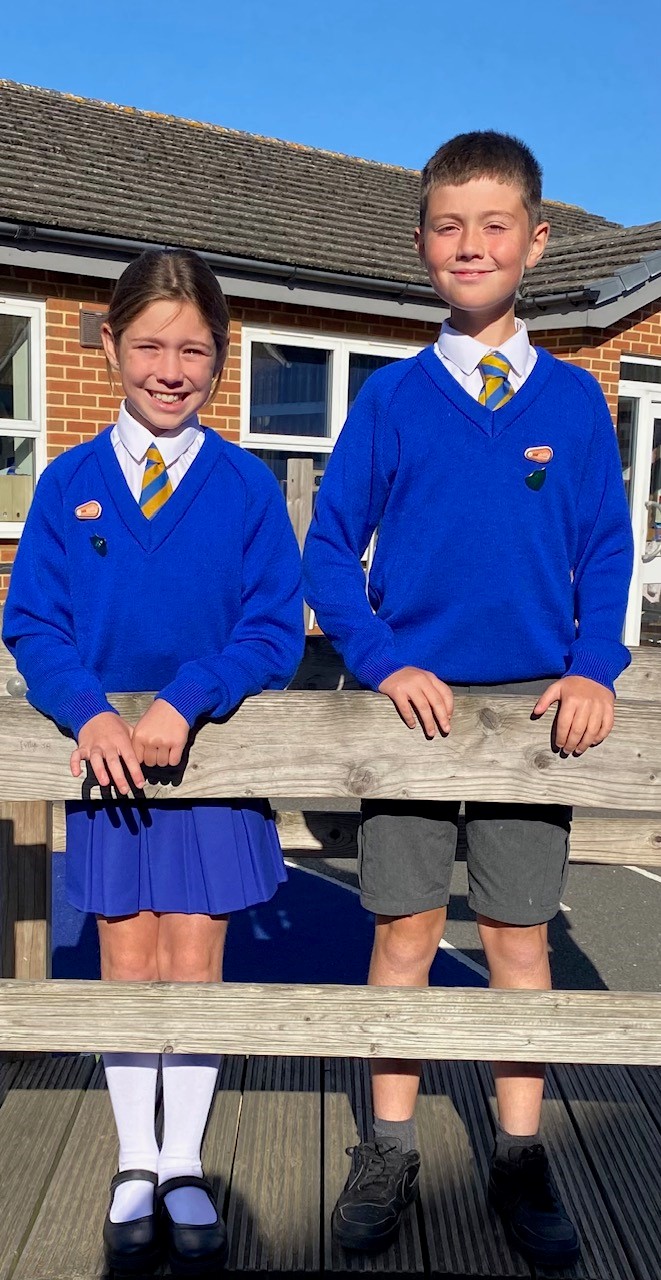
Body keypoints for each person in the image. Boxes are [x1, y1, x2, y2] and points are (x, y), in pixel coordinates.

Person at [302, 131, 633, 1268]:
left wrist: (592, 667)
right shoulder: (391, 400)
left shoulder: (576, 402)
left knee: (516, 937)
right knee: (402, 929)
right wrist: (381, 656)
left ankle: (518, 1152)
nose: (471, 244)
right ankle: (388, 1145)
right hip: (409, 712)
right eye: (449, 226)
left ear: (535, 242)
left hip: (532, 720)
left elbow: (606, 549)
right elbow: (329, 550)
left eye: (495, 225)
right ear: (420, 245)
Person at [3, 248, 304, 1275]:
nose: (170, 370)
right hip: (110, 776)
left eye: (193, 350)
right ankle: (136, 1156)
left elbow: (273, 628)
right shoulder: (68, 484)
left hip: (208, 769)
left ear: (220, 355)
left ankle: (184, 1162)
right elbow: (34, 624)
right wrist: (87, 710)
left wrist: (190, 692)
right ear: (110, 346)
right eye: (148, 346)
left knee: (195, 960)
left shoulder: (246, 487)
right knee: (124, 960)